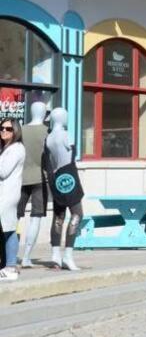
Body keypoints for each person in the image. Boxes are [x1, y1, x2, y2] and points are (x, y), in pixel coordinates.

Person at [45, 108, 84, 271]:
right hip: (69, 176)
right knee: (77, 214)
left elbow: (48, 160)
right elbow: (71, 155)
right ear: (62, 118)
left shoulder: (48, 138)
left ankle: (55, 255)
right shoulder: (66, 135)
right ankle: (68, 255)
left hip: (54, 176)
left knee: (59, 215)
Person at [18, 101, 48, 268]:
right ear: (44, 113)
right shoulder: (46, 131)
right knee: (35, 217)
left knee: (14, 216)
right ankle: (27, 256)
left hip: (20, 178)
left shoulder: (20, 129)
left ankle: (8, 254)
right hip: (40, 179)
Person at [0, 118, 25, 281]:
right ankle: (6, 265)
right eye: (2, 128)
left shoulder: (16, 149)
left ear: (15, 131)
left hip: (8, 195)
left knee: (9, 230)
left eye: (8, 129)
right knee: (5, 229)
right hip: (4, 194)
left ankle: (10, 266)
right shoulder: (6, 148)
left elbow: (3, 171)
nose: (4, 131)